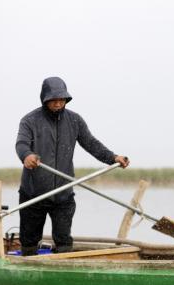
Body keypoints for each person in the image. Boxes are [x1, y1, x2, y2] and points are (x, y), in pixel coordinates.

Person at [15, 77, 129, 256]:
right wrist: (26, 156)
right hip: (33, 194)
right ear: (45, 99)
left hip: (63, 193)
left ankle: (61, 270)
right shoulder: (30, 120)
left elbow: (91, 144)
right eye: (54, 100)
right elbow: (21, 144)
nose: (58, 103)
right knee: (29, 241)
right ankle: (27, 271)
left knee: (64, 240)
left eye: (62, 100)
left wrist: (113, 158)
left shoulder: (74, 120)